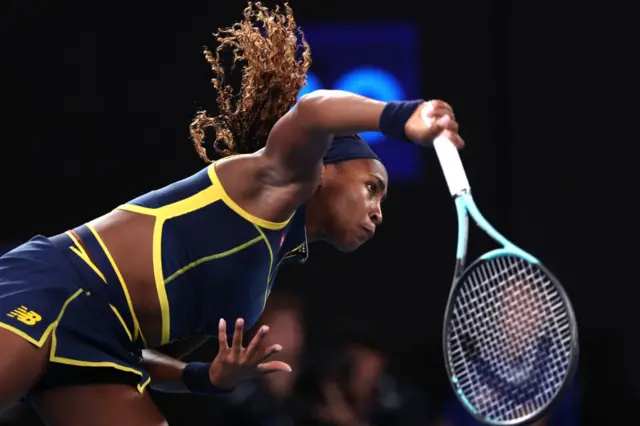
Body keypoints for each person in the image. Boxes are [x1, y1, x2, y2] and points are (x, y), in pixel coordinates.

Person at [0, 2, 463, 425]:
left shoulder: (262, 274)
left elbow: (141, 355)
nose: (378, 211)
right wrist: (403, 115)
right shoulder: (269, 184)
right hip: (56, 286)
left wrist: (207, 377)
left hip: (104, 348)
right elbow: (314, 111)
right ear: (322, 171)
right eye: (371, 188)